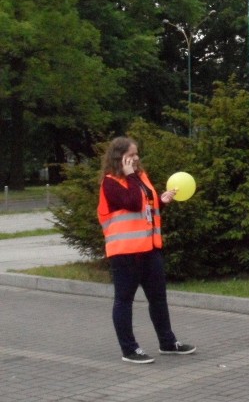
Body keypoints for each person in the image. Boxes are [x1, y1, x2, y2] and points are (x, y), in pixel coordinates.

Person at [97, 137, 196, 364]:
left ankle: (168, 343)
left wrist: (160, 200)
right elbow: (131, 203)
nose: (136, 158)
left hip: (150, 250)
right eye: (131, 155)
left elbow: (145, 207)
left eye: (136, 154)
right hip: (125, 253)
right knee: (124, 300)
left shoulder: (140, 178)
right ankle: (129, 349)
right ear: (119, 158)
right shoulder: (111, 183)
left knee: (158, 298)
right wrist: (130, 175)